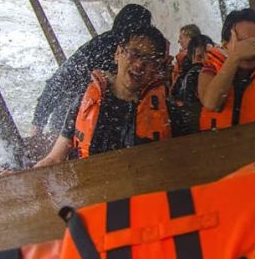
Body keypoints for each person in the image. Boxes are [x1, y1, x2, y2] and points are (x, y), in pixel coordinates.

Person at [34, 25, 177, 167]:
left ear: (157, 67)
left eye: (149, 59)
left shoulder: (167, 110)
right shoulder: (84, 101)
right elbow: (55, 159)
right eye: (134, 54)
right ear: (118, 54)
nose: (139, 65)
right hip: (90, 184)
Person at [27, 4, 151, 145]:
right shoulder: (100, 47)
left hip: (99, 115)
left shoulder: (135, 55)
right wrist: (38, 122)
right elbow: (59, 81)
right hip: (71, 115)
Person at [170, 34, 215, 128]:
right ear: (191, 59)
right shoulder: (195, 72)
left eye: (210, 56)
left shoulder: (182, 77)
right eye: (200, 57)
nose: (206, 60)